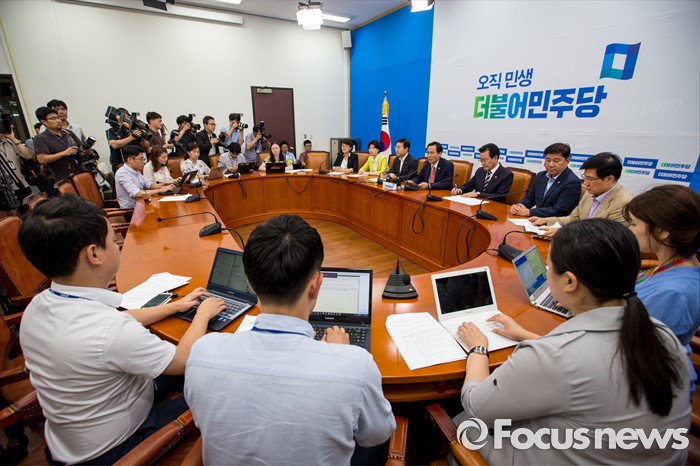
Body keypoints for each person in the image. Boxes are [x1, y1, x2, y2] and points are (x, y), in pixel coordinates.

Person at [454, 218, 690, 464]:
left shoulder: (553, 357)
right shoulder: (661, 333)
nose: (547, 272)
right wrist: (524, 334)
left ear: (569, 282)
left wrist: (478, 348)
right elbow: (587, 356)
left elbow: (476, 407)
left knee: (459, 421)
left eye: (549, 266)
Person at [17, 195, 227, 464]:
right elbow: (183, 360)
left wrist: (176, 306)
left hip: (74, 436)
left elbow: (119, 320)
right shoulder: (111, 331)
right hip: (114, 449)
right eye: (113, 240)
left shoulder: (39, 306)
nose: (119, 245)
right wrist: (203, 313)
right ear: (94, 254)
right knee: (221, 386)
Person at [185, 215, 396, 465]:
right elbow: (377, 435)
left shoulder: (202, 353)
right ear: (317, 284)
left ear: (249, 283)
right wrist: (340, 355)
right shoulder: (356, 366)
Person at [626, 184, 700, 397]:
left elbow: (631, 353)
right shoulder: (678, 263)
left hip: (648, 388)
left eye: (634, 224)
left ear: (663, 231)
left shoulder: (674, 293)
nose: (630, 229)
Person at [529, 152, 633, 236]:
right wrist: (545, 220)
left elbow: (604, 237)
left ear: (609, 179)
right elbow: (574, 218)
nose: (585, 183)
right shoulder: (590, 192)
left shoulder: (624, 203)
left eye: (590, 179)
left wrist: (564, 233)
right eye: (585, 177)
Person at [510, 142, 581, 217]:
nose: (551, 165)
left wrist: (529, 212)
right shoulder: (541, 176)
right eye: (548, 160)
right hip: (536, 219)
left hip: (554, 222)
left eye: (556, 161)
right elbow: (530, 199)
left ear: (567, 161)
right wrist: (518, 206)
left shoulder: (572, 182)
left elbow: (560, 210)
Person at [33, 106, 86, 183]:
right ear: (44, 122)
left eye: (58, 117)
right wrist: (63, 153)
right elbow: (41, 159)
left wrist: (87, 148)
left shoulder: (68, 133)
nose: (58, 121)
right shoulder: (40, 138)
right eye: (53, 119)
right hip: (64, 178)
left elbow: (81, 149)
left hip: (81, 172)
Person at [107, 108, 150, 173]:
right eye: (125, 117)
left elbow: (146, 146)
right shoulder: (112, 131)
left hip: (137, 164)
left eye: (128, 117)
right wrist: (131, 137)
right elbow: (114, 144)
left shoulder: (134, 129)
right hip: (121, 164)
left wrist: (142, 136)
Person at [0, 126, 33, 210]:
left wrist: (13, 139)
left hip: (21, 184)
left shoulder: (9, 142)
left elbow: (28, 156)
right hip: (4, 192)